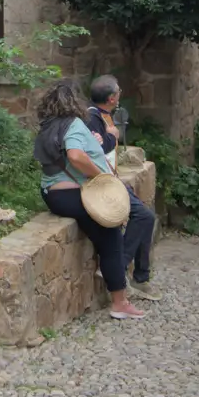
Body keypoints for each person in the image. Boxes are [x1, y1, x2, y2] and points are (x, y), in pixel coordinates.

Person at [34, 81, 147, 320]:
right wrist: (100, 175)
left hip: (52, 194)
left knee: (104, 235)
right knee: (111, 234)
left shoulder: (48, 126)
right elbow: (75, 155)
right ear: (75, 101)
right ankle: (119, 302)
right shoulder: (74, 124)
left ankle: (116, 287)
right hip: (74, 194)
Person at [87, 75, 158, 299]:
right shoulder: (92, 119)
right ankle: (119, 267)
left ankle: (141, 278)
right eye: (117, 91)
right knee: (144, 217)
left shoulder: (103, 117)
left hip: (111, 179)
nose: (120, 95)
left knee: (145, 219)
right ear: (111, 98)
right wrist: (112, 136)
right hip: (101, 182)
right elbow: (94, 149)